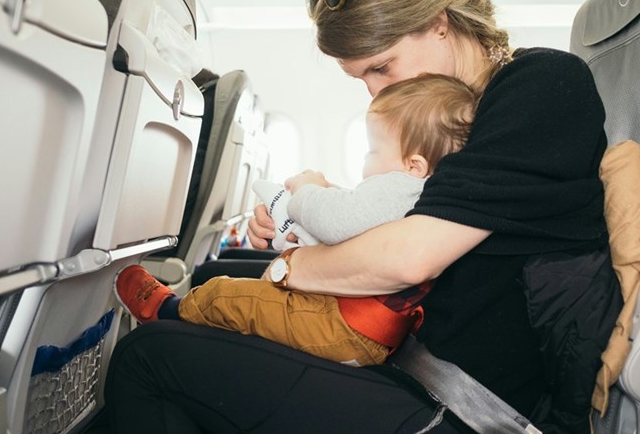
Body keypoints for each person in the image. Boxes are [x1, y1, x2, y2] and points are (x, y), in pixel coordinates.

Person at [103, 0, 621, 433]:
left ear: (438, 23)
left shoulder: (541, 85)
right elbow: (414, 211)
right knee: (214, 279)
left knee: (147, 357)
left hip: (461, 405)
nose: (375, 92)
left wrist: (290, 266)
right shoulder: (457, 110)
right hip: (404, 359)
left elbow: (409, 258)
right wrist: (304, 212)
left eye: (382, 67)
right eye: (362, 79)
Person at [114, 74, 478, 367]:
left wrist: (307, 189)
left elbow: (336, 221)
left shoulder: (401, 186)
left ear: (414, 164)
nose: (366, 160)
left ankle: (167, 312)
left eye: (372, 150)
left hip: (343, 325)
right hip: (360, 327)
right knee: (252, 301)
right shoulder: (420, 193)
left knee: (227, 294)